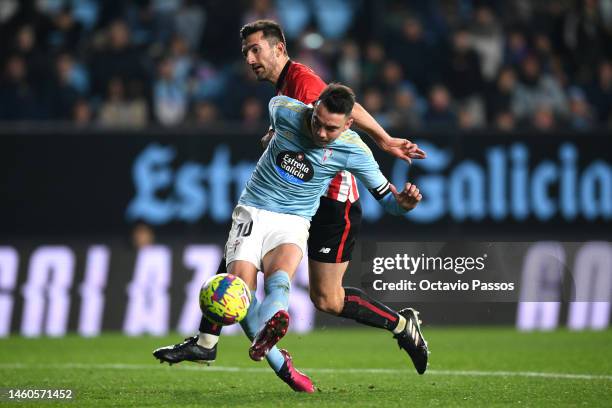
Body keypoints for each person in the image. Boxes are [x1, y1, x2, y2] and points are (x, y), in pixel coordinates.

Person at [154, 20, 428, 387]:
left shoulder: (303, 84)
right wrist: (276, 134)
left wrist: (383, 140)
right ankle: (215, 340)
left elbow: (347, 108)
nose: (250, 59)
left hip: (333, 201)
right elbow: (301, 118)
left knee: (327, 299)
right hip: (286, 201)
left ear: (279, 49)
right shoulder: (282, 101)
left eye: (256, 50)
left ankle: (401, 324)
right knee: (241, 264)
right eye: (246, 52)